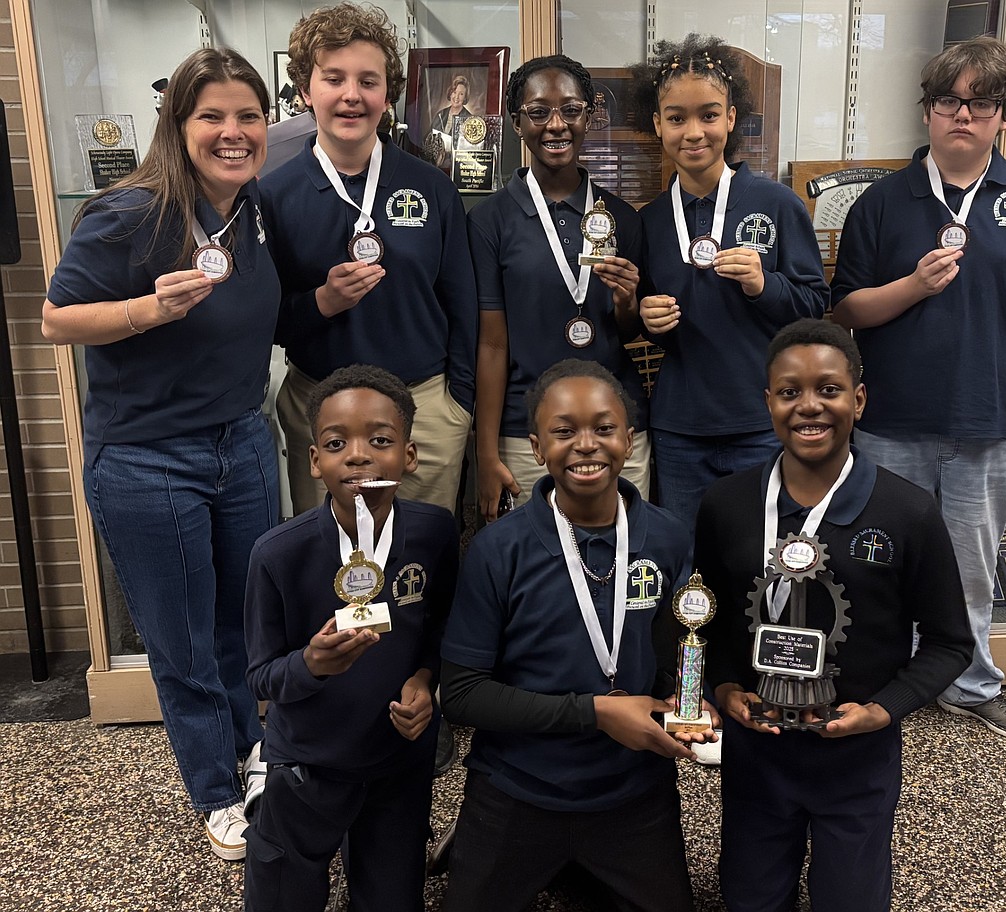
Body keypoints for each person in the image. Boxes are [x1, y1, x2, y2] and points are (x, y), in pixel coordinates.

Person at [41, 48, 278, 860]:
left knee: (243, 627)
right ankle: (216, 791)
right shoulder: (127, 212)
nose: (233, 132)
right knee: (180, 643)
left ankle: (256, 758)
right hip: (148, 460)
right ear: (177, 125)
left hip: (244, 441)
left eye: (248, 115)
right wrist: (145, 309)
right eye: (211, 116)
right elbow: (56, 321)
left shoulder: (253, 210)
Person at [831, 36, 1006, 741]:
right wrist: (912, 286)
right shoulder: (880, 203)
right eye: (948, 101)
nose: (962, 115)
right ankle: (879, 676)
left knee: (971, 565)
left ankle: (970, 684)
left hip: (988, 420)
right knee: (878, 559)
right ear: (928, 111)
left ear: (1003, 114)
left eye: (981, 103)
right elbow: (845, 311)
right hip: (891, 420)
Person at [695, 319, 973, 912]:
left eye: (829, 389)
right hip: (758, 749)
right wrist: (720, 685)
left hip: (856, 757)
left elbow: (951, 643)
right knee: (749, 895)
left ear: (859, 399)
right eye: (789, 392)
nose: (809, 407)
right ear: (767, 402)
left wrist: (884, 710)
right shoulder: (726, 506)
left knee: (851, 897)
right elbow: (709, 620)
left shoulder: (908, 512)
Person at [440, 359, 714, 912]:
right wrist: (596, 713)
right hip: (518, 787)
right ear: (538, 448)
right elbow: (462, 694)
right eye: (564, 431)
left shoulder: (665, 537)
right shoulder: (499, 550)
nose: (586, 445)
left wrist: (685, 698)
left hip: (631, 791)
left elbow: (669, 650)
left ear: (629, 440)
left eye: (604, 428)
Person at [243, 364, 458, 912]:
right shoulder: (277, 554)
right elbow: (261, 676)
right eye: (337, 443)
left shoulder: (434, 533)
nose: (358, 455)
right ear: (315, 461)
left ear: (409, 455)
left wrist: (425, 681)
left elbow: (440, 631)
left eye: (380, 441)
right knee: (283, 896)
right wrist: (310, 664)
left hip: (397, 760)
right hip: (310, 761)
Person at [261, 2, 476, 517]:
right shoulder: (272, 196)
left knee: (419, 565)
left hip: (422, 408)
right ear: (306, 90)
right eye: (333, 78)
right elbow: (264, 319)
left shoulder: (432, 187)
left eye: (368, 80)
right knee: (331, 570)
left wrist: (458, 405)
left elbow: (464, 307)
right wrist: (322, 303)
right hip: (320, 407)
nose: (351, 95)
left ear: (388, 95)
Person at [629, 34, 829, 526]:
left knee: (760, 558)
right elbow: (637, 317)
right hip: (679, 428)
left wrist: (765, 285)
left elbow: (815, 308)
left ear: (732, 118)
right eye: (676, 118)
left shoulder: (777, 205)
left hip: (760, 420)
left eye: (709, 115)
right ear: (658, 125)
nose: (693, 132)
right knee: (688, 561)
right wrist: (644, 317)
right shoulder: (648, 221)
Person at [470, 54, 650, 522]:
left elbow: (627, 331)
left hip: (617, 428)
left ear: (590, 115)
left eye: (571, 110)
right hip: (526, 431)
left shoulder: (622, 218)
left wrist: (628, 302)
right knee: (534, 570)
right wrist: (486, 454)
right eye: (538, 112)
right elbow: (491, 343)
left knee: (624, 560)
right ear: (516, 123)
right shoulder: (490, 221)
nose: (556, 125)